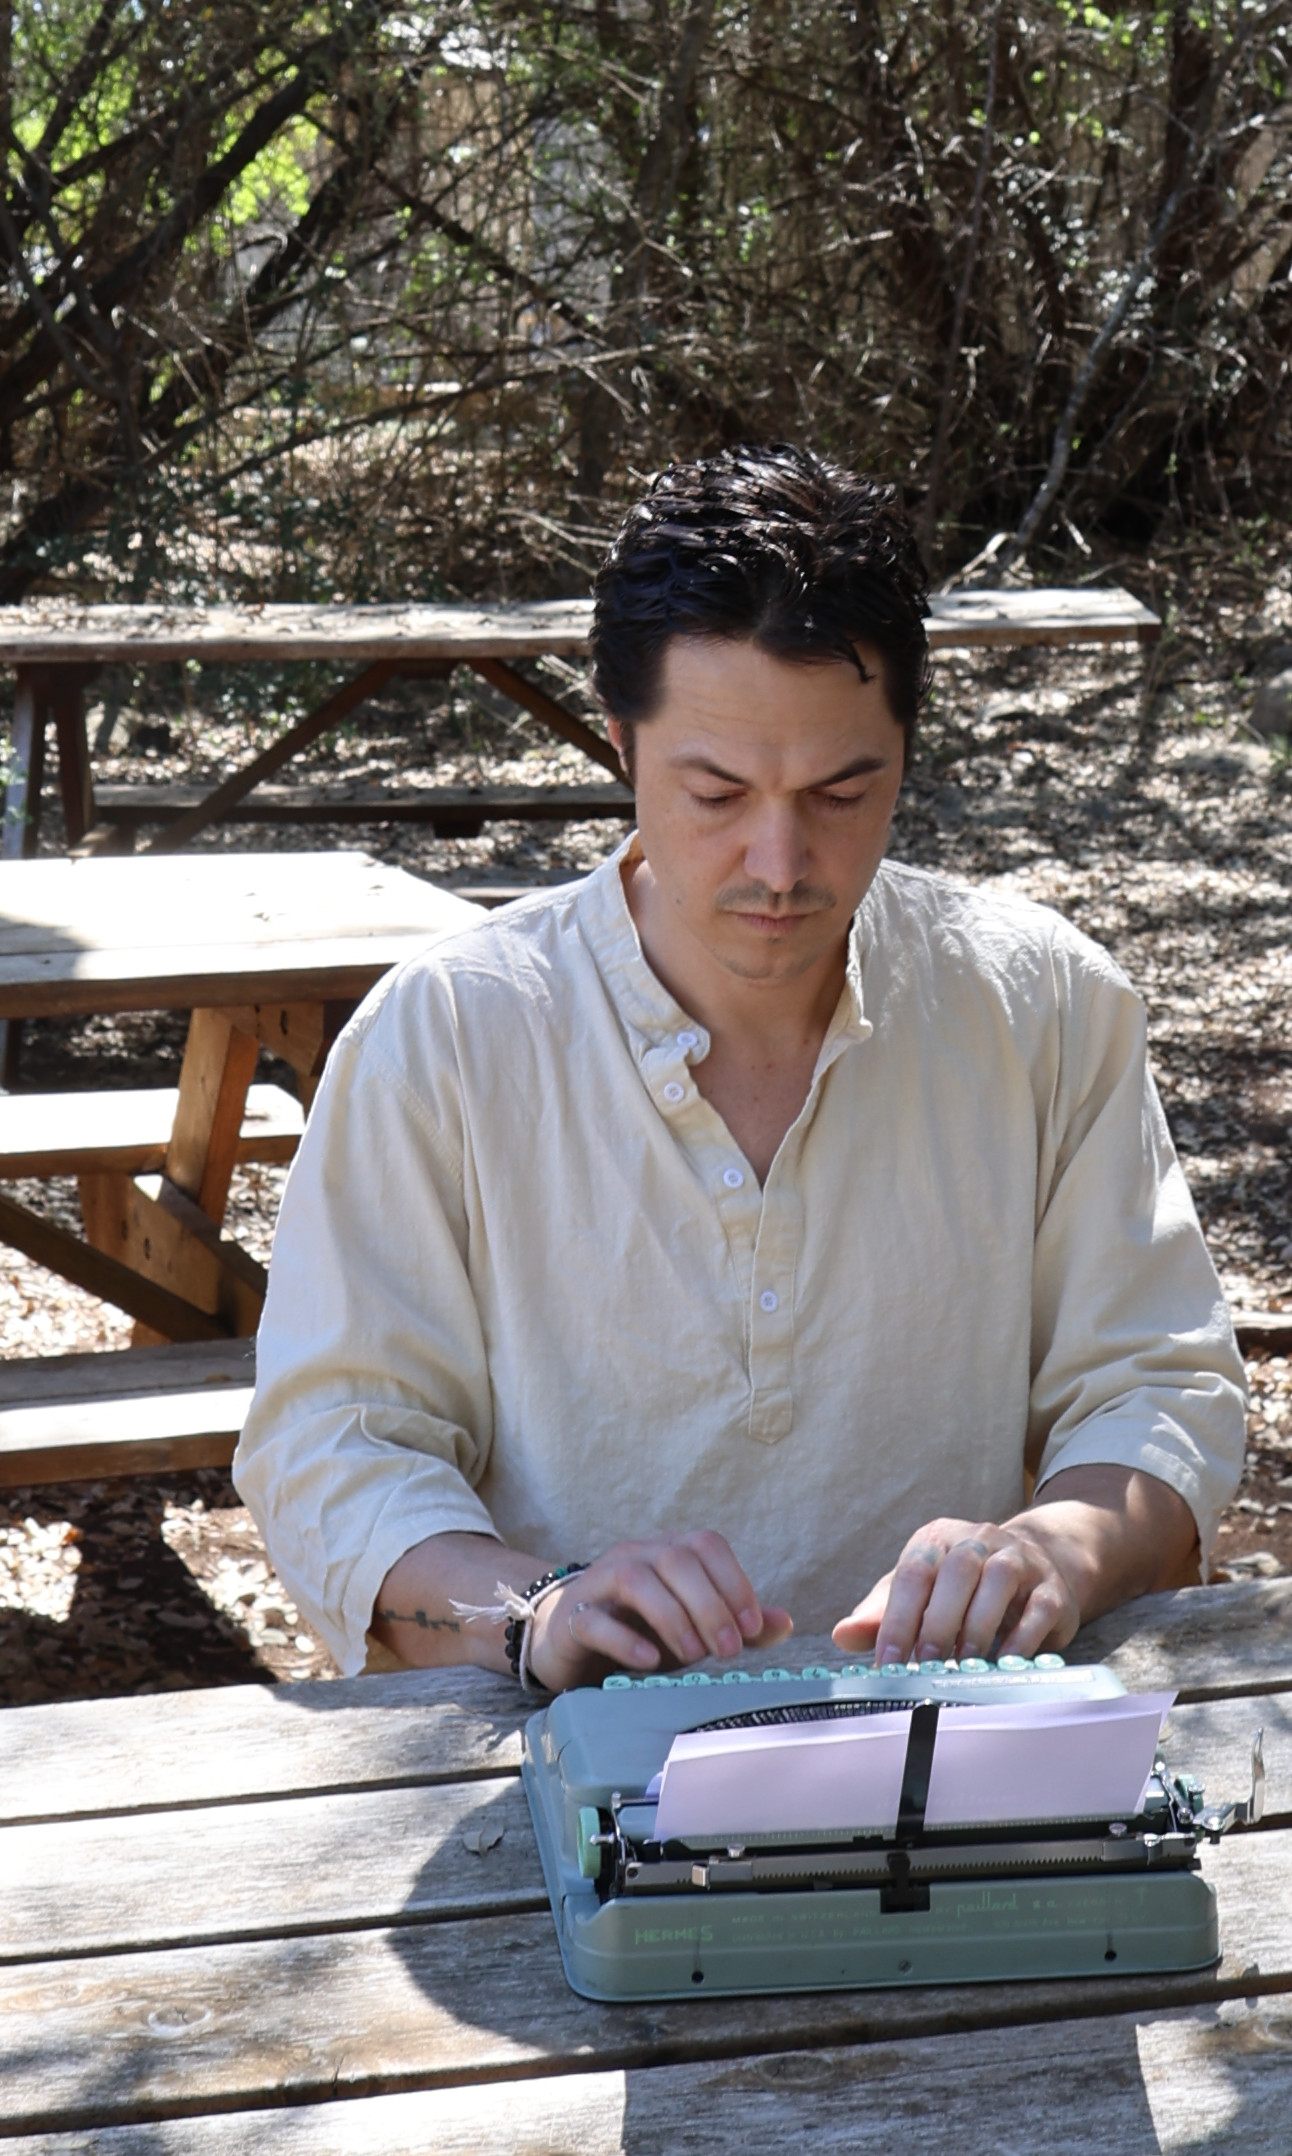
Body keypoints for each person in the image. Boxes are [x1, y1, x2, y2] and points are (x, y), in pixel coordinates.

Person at [233, 444, 1245, 1693]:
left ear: (904, 752)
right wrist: (533, 1608)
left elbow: (1156, 1382)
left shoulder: (1039, 1004)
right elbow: (334, 1443)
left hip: (959, 1743)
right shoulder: (446, 1032)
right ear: (619, 744)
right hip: (552, 1763)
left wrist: (1056, 1548)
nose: (778, 861)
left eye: (839, 791)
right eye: (714, 791)